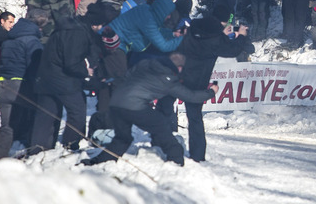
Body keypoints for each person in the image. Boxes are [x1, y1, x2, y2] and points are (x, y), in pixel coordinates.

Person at [82, 53, 218, 167]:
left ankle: (99, 162)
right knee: (162, 125)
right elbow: (191, 96)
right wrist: (211, 92)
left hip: (116, 102)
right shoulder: (168, 79)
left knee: (123, 138)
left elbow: (126, 76)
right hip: (134, 106)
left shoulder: (146, 64)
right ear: (180, 68)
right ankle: (176, 161)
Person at [29, 4, 105, 153]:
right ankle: (70, 145)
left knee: (47, 115)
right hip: (62, 79)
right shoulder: (77, 32)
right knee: (77, 111)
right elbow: (71, 62)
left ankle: (38, 149)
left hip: (46, 77)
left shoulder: (70, 27)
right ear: (95, 23)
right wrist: (87, 71)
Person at [177, 15, 253, 162]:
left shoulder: (190, 34)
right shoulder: (213, 42)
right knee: (195, 119)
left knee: (166, 109)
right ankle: (197, 155)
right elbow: (233, 50)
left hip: (176, 76)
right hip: (197, 83)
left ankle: (162, 143)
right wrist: (242, 36)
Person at [0, 10, 49, 159]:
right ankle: (34, 153)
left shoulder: (9, 39)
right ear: (38, 27)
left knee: (7, 127)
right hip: (21, 85)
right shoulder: (32, 41)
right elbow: (34, 67)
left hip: (3, 85)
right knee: (36, 115)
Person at [109, 0, 185, 54]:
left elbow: (157, 32)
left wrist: (173, 34)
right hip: (114, 42)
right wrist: (183, 38)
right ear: (162, 11)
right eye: (168, 14)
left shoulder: (146, 10)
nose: (169, 17)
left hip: (115, 39)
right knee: (118, 71)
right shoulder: (148, 20)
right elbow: (164, 46)